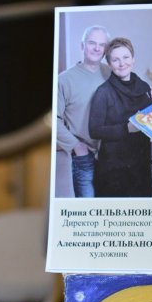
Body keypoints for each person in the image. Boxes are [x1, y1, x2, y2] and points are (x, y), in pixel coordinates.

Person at [89, 37, 152, 198]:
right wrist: (127, 128)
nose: (122, 63)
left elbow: (149, 121)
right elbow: (94, 130)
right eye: (115, 60)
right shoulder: (103, 92)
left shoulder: (144, 88)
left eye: (126, 57)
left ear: (133, 59)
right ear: (109, 63)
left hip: (142, 165)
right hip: (114, 170)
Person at [56, 24, 108, 198]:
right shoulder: (64, 80)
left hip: (111, 155)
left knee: (111, 209)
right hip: (85, 156)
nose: (97, 48)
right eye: (92, 43)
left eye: (102, 45)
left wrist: (148, 92)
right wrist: (76, 146)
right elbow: (53, 120)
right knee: (87, 209)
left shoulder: (112, 73)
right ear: (82, 45)